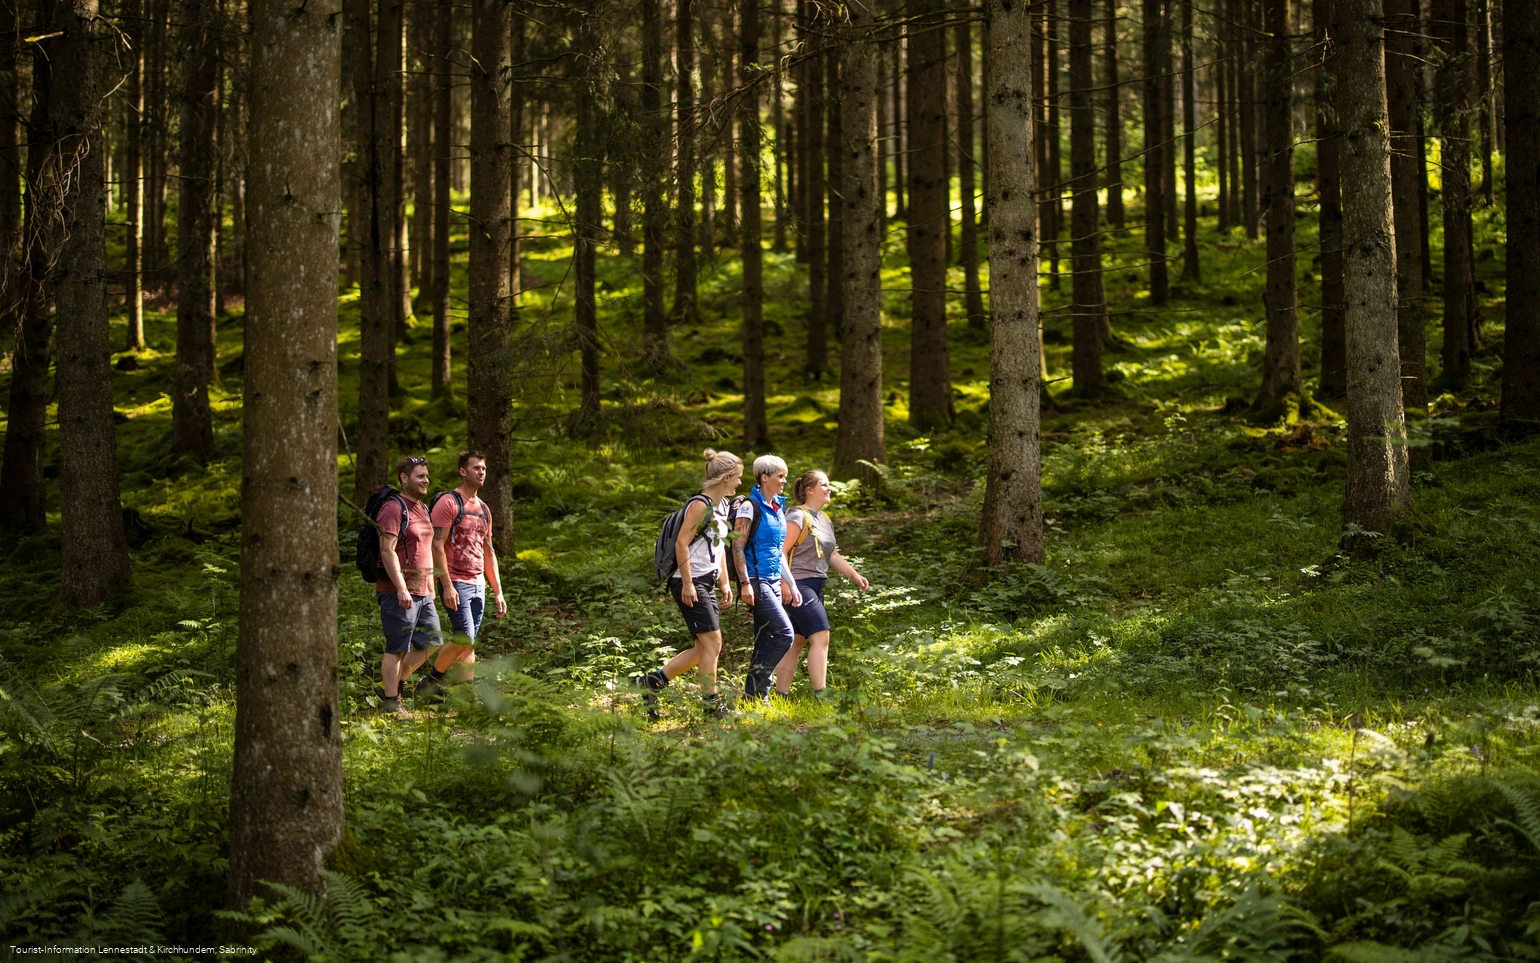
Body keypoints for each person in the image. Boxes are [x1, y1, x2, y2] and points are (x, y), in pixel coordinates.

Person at [635, 449, 743, 719]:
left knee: (702, 647)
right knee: (713, 643)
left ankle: (652, 683)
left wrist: (726, 583)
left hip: (706, 580)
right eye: (738, 478)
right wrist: (687, 583)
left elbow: (719, 549)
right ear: (726, 477)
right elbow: (682, 543)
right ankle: (711, 705)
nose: (741, 483)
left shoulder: (724, 506)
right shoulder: (699, 505)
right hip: (689, 580)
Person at [415, 449, 506, 699]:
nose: (481, 473)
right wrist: (446, 585)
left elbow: (488, 552)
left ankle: (466, 696)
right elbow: (436, 544)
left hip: (478, 582)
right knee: (465, 637)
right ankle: (432, 680)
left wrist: (497, 591)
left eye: (484, 469)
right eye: (476, 468)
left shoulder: (484, 509)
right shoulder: (448, 502)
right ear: (463, 471)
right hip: (455, 580)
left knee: (469, 642)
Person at [773, 470, 870, 700]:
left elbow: (831, 554)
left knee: (798, 640)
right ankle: (821, 696)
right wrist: (785, 585)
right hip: (799, 584)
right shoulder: (797, 516)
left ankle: (781, 695)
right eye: (824, 485)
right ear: (810, 490)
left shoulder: (824, 519)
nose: (829, 488)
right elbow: (780, 552)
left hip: (817, 584)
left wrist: (854, 575)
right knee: (821, 635)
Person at [375, 455, 441, 714]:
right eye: (420, 476)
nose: (426, 480)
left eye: (426, 475)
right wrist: (401, 587)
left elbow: (426, 547)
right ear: (404, 478)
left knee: (432, 641)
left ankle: (395, 684)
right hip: (398, 591)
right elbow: (386, 549)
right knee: (397, 648)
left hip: (423, 590)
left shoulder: (422, 508)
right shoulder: (393, 508)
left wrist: (432, 583)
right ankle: (391, 703)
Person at [732, 454, 801, 701]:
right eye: (779, 476)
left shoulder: (777, 508)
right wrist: (744, 583)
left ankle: (754, 697)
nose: (784, 481)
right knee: (785, 634)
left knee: (765, 640)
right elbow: (737, 546)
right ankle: (758, 691)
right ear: (764, 477)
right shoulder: (750, 506)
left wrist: (791, 584)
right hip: (757, 582)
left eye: (784, 476)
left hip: (773, 581)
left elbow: (778, 550)